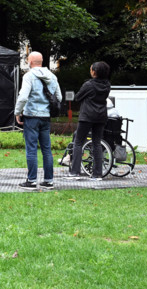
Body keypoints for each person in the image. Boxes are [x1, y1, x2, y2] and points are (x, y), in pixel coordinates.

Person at [14, 51, 61, 191]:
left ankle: (32, 180)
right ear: (41, 61)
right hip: (46, 116)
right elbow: (59, 97)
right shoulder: (52, 76)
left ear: (30, 62)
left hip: (31, 116)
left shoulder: (28, 76)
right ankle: (48, 181)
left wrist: (17, 112)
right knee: (46, 149)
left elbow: (23, 97)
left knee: (31, 149)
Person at [64, 61, 111, 180]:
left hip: (87, 116)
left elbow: (77, 97)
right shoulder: (107, 85)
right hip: (101, 116)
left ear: (94, 72)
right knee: (97, 143)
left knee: (78, 142)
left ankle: (75, 172)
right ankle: (97, 173)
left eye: (91, 69)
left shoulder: (89, 85)